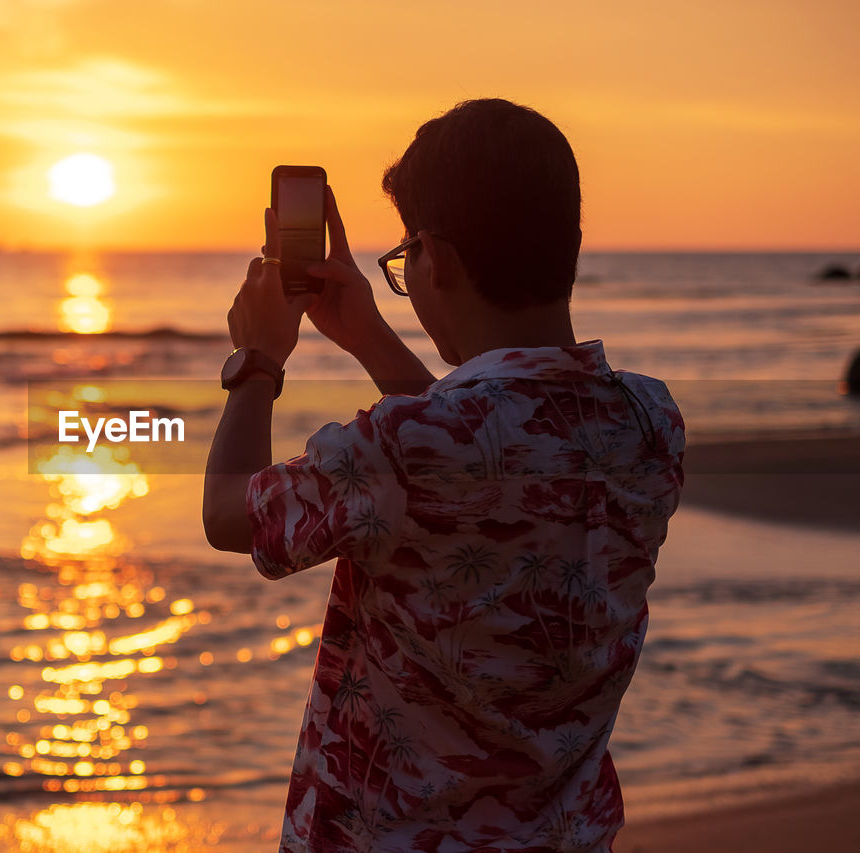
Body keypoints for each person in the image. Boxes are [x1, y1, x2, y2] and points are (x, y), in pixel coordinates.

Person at [202, 98, 686, 852]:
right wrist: (367, 332)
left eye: (405, 258)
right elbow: (496, 434)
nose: (405, 275)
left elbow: (232, 513)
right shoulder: (650, 423)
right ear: (574, 244)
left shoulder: (398, 449)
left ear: (442, 261)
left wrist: (258, 360)